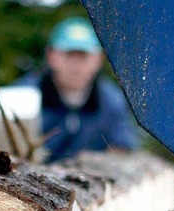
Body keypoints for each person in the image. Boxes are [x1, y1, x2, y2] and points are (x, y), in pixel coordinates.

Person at [27, 17, 139, 162]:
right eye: (69, 55)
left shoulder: (112, 101)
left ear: (98, 59)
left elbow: (124, 148)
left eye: (83, 56)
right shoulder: (23, 96)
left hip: (89, 180)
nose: (75, 65)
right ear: (51, 56)